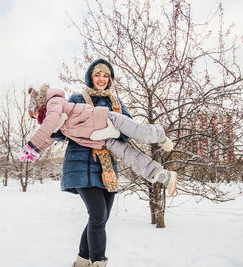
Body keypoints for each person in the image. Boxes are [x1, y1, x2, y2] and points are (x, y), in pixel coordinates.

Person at [18, 59, 177, 267]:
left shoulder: (117, 103)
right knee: (97, 216)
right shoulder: (76, 98)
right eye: (97, 75)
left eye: (105, 76)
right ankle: (97, 262)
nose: (101, 79)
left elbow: (128, 134)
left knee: (100, 219)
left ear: (109, 79)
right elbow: (60, 132)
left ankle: (82, 261)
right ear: (90, 77)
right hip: (82, 164)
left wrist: (111, 132)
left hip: (107, 168)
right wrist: (42, 141)